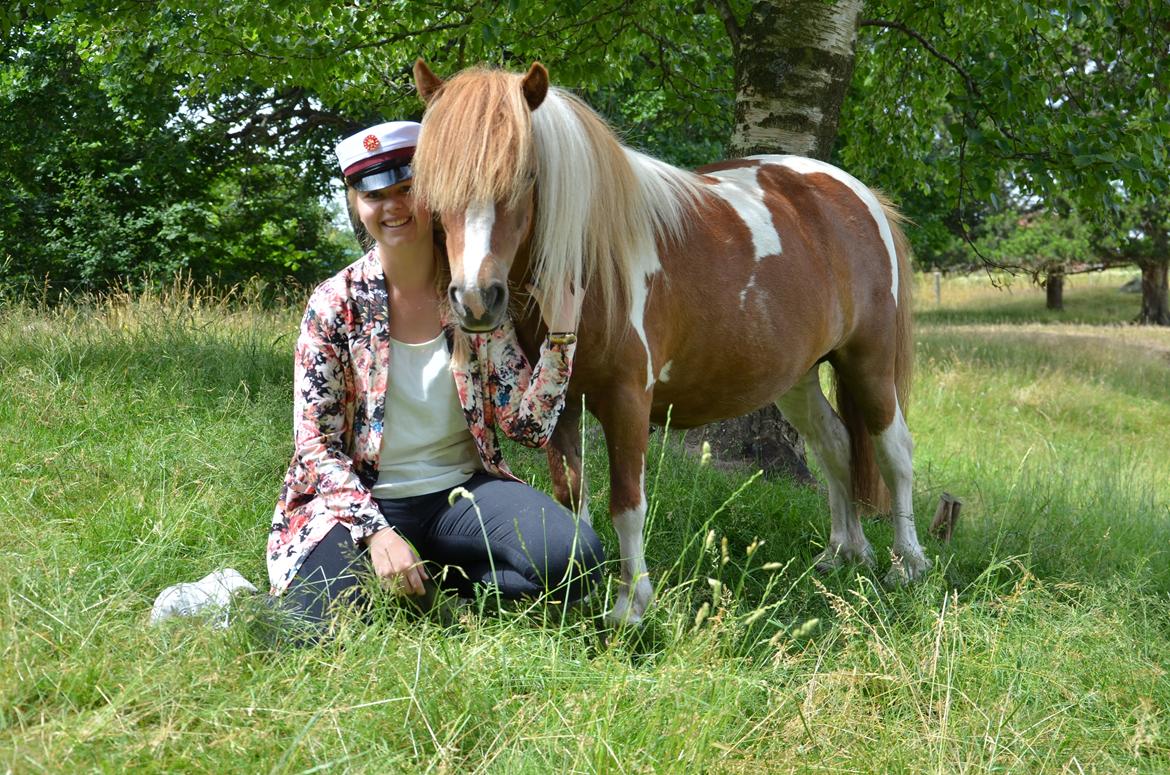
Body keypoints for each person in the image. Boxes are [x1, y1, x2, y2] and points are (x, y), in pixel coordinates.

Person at [266, 120, 604, 635]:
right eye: (374, 194)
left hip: (462, 495)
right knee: (315, 628)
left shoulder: (469, 297)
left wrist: (561, 338)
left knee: (578, 559)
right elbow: (316, 446)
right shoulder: (336, 304)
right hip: (363, 501)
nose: (393, 207)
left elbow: (526, 426)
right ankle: (230, 597)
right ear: (357, 204)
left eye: (407, 189)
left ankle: (436, 582)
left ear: (434, 195)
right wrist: (377, 533)